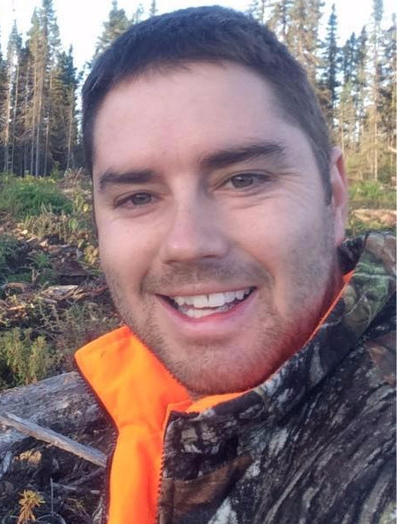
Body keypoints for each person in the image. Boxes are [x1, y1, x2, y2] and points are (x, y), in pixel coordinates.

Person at [74, 6, 396, 524]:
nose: (186, 243)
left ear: (334, 195)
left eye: (243, 179)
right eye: (137, 197)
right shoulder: (140, 388)